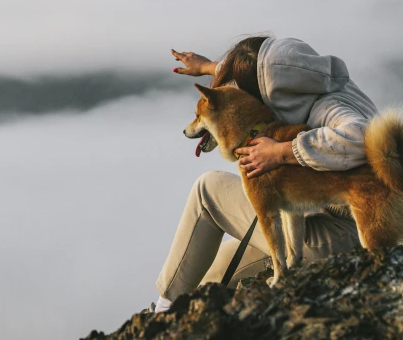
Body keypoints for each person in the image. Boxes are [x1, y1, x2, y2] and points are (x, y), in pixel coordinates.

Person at [152, 36, 378, 313]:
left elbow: (364, 137)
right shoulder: (299, 83)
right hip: (317, 224)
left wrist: (282, 151)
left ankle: (162, 311)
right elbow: (266, 71)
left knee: (207, 188)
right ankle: (174, 319)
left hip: (349, 234)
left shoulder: (328, 107)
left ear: (273, 87)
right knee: (213, 270)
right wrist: (209, 67)